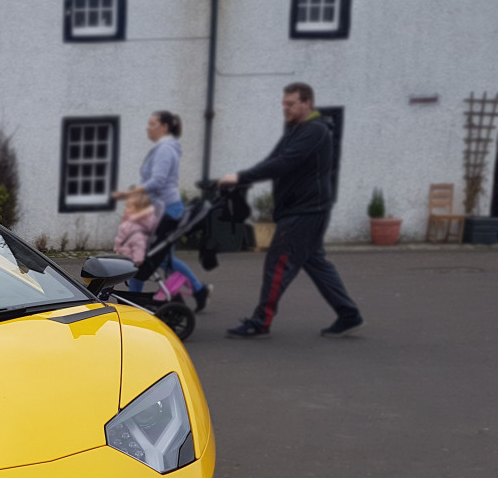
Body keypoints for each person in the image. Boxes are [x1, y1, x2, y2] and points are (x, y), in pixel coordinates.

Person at [218, 82, 363, 338]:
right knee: (316, 263)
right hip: (303, 209)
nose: (285, 108)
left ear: (307, 103)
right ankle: (348, 312)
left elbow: (285, 163)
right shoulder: (296, 130)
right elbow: (273, 161)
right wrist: (242, 179)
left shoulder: (315, 131)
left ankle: (261, 321)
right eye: (284, 103)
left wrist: (240, 178)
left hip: (305, 211)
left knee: (278, 264)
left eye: (291, 103)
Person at [113, 110, 211, 310]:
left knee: (158, 259)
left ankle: (198, 290)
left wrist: (127, 194)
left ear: (164, 127)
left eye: (152, 124)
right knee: (147, 257)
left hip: (167, 211)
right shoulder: (163, 148)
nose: (148, 128)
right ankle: (133, 300)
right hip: (158, 210)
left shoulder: (165, 149)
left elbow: (157, 182)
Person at [113, 188, 158, 268]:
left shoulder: (137, 230)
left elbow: (139, 246)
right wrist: (117, 248)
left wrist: (137, 260)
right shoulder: (130, 222)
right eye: (126, 206)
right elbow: (121, 237)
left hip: (130, 260)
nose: (126, 209)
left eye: (129, 207)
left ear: (139, 210)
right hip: (123, 255)